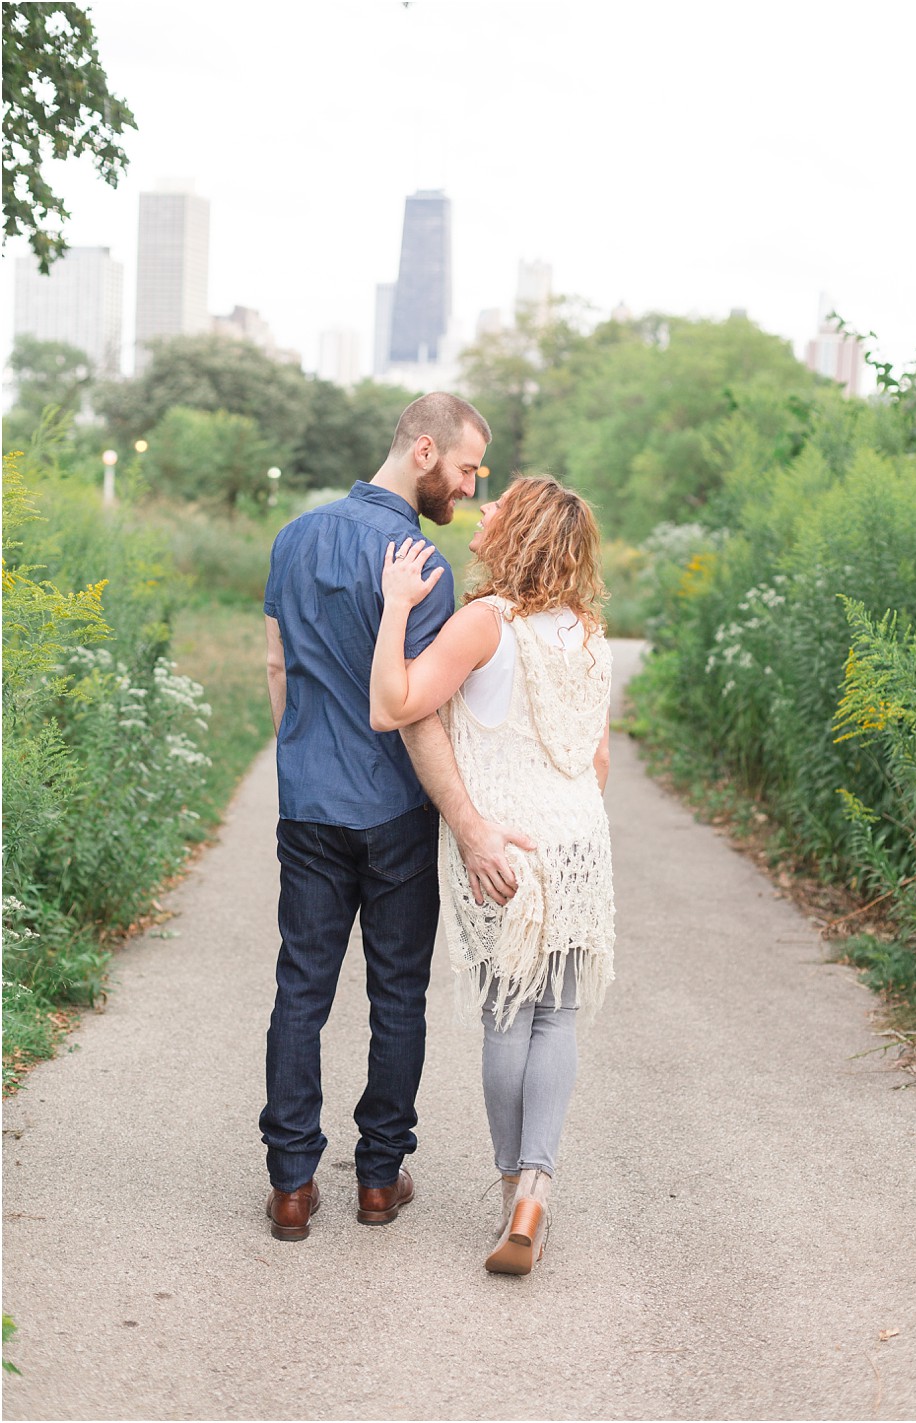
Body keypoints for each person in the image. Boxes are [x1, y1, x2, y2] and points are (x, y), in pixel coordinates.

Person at [259, 393, 534, 1241]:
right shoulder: (421, 560)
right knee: (397, 995)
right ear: (424, 450)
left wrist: (303, 756)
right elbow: (420, 709)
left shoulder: (295, 538)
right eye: (465, 466)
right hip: (396, 812)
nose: (468, 484)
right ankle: (379, 1178)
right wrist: (465, 816)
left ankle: (292, 1185)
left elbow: (276, 663)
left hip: (309, 803)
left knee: (300, 988)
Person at [369, 474, 615, 1275]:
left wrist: (398, 606)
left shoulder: (484, 623)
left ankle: (514, 1190)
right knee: (559, 1019)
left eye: (498, 505)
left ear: (522, 532)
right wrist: (564, 823)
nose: (484, 510)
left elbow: (396, 703)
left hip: (501, 843)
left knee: (508, 1018)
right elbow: (595, 758)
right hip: (578, 844)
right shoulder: (585, 632)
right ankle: (538, 1186)